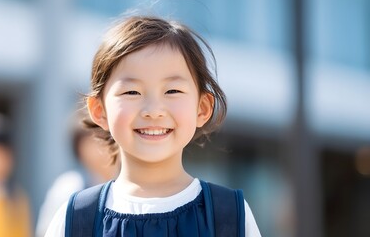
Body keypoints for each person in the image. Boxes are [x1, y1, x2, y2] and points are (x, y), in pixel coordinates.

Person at [45, 16, 261, 236]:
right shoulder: (76, 219)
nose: (153, 110)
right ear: (99, 110)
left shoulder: (229, 215)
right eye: (132, 92)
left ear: (202, 108)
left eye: (172, 91)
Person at [35, 113, 119, 237]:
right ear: (79, 148)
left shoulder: (132, 186)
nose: (104, 146)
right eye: (95, 140)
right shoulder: (70, 187)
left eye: (107, 137)